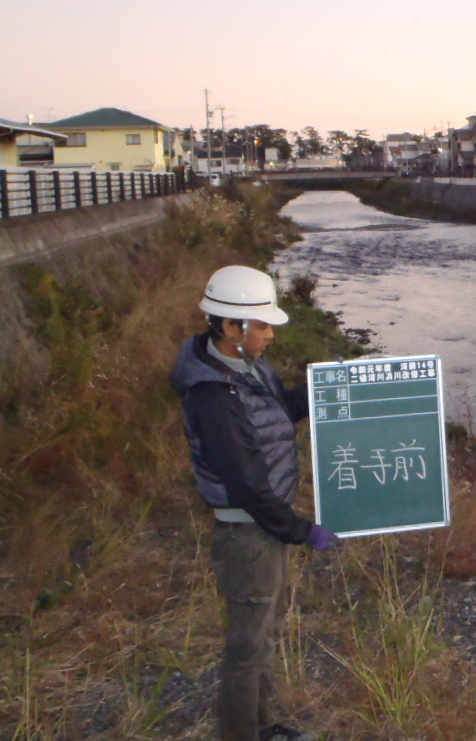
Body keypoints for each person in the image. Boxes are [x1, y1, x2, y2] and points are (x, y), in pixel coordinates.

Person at [170, 265, 339, 741]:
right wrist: (302, 530)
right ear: (230, 327)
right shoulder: (214, 396)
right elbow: (246, 485)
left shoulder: (244, 365)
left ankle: (262, 727)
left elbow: (279, 406)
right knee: (248, 647)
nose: (269, 335)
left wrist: (327, 390)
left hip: (264, 529)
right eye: (261, 325)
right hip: (249, 535)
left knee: (265, 635)